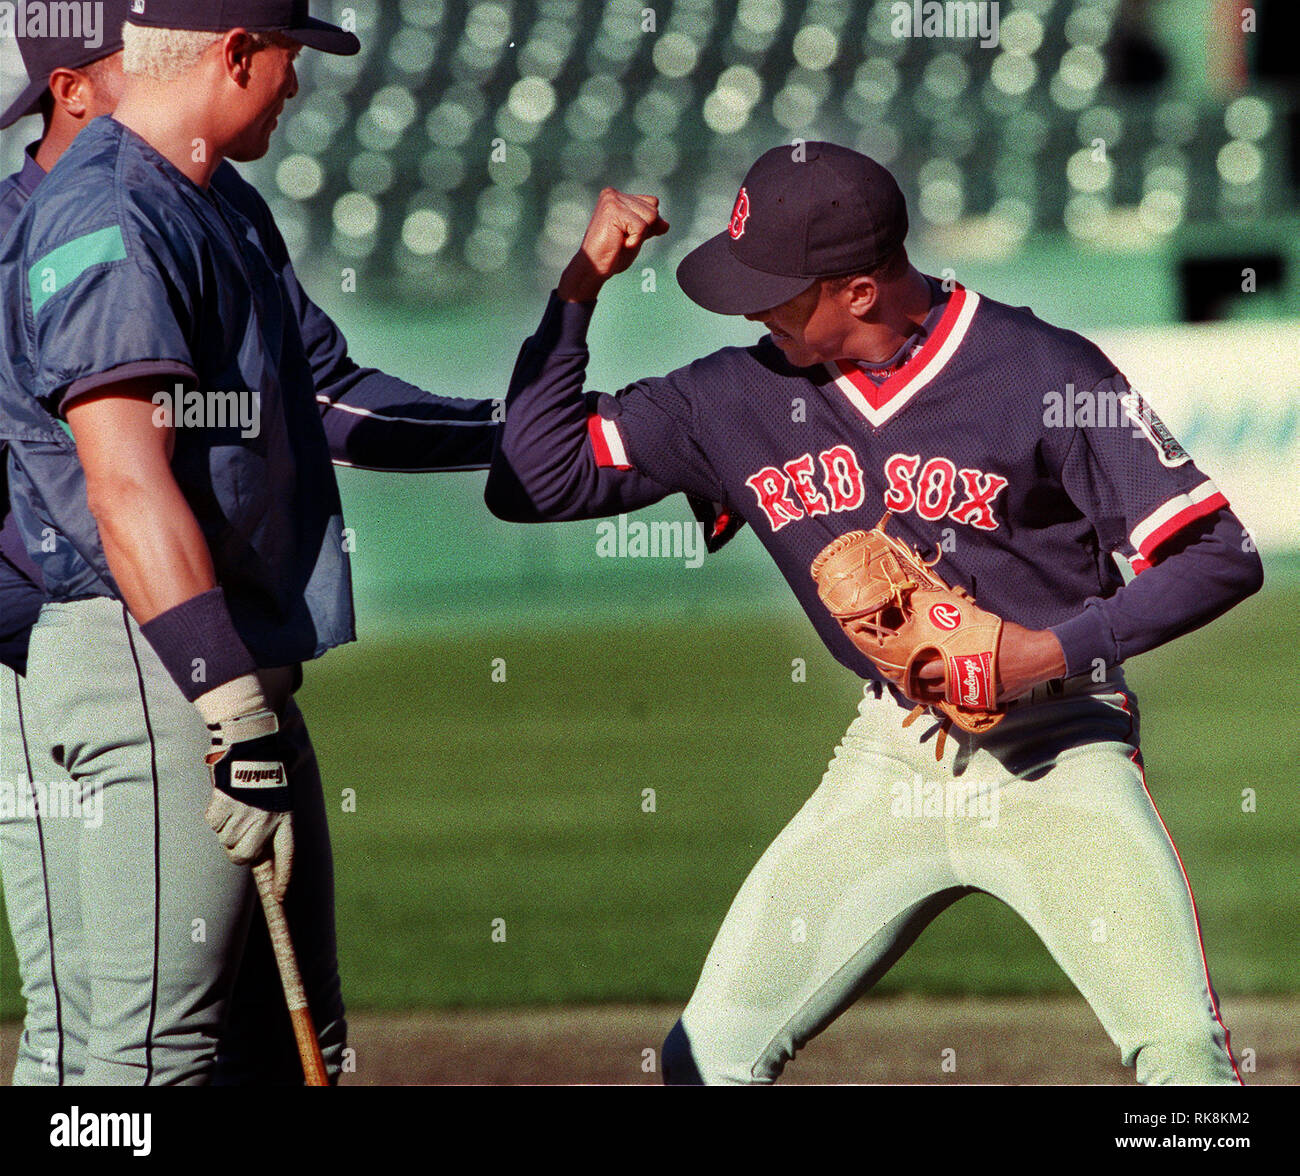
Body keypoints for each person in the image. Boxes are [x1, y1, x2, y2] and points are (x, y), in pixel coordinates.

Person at [486, 142, 1264, 1085]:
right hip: (889, 753)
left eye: (774, 287)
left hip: (1061, 746)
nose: (749, 305)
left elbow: (1220, 553)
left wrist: (1045, 653)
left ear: (858, 291)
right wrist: (580, 287)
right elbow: (532, 479)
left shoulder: (1043, 372)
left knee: (1181, 1054)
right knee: (707, 1062)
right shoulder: (732, 397)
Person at [0, 0, 498, 1085]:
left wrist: (526, 441)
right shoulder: (112, 216)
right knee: (141, 1059)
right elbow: (123, 487)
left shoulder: (215, 200)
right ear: (234, 53)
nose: (298, 83)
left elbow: (321, 395)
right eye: (288, 58)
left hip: (209, 658)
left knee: (283, 1042)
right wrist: (228, 706)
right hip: (150, 658)